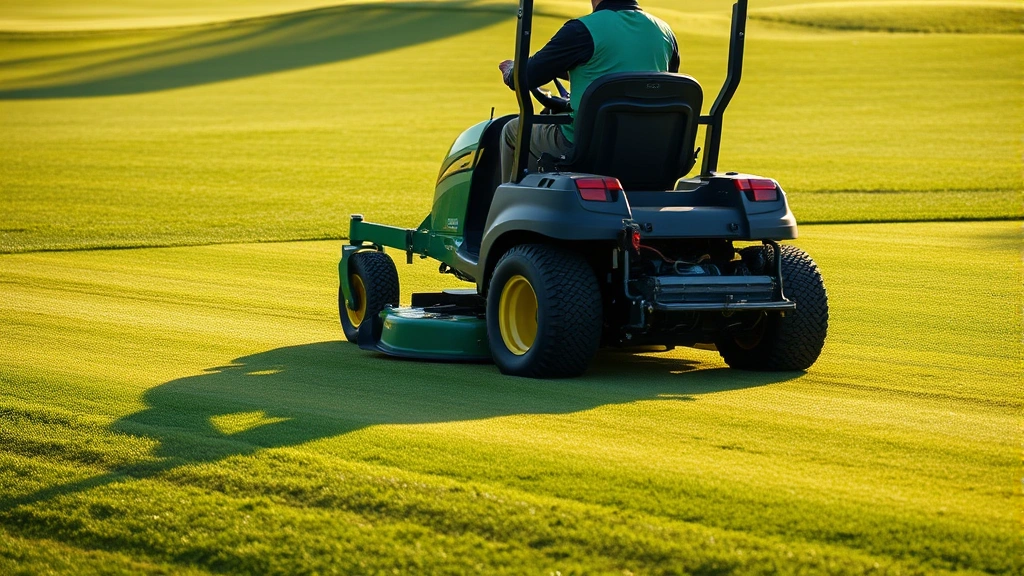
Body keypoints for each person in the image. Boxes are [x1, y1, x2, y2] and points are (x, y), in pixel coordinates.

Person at [498, 0, 680, 182]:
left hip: (587, 146)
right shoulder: (664, 31)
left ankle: (508, 205)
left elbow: (524, 77)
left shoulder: (582, 30)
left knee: (512, 130)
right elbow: (659, 83)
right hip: (651, 145)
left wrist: (510, 71)